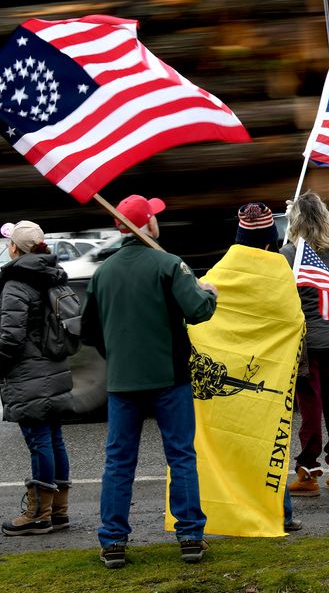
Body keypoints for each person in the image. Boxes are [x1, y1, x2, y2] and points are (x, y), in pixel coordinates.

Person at [80, 195, 219, 569]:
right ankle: (190, 536)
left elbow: (89, 331)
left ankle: (113, 542)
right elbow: (199, 311)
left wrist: (119, 356)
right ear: (149, 226)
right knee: (181, 456)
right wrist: (209, 294)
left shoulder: (102, 272)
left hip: (122, 381)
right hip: (169, 379)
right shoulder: (169, 264)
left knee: (119, 462)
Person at [229, 202, 302, 532]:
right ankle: (281, 514)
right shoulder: (280, 271)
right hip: (271, 373)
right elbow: (294, 320)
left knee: (240, 444)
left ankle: (239, 512)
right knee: (273, 444)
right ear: (271, 240)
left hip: (236, 372)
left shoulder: (224, 270)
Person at [0, 220, 73, 536]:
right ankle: (59, 511)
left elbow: (9, 339)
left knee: (39, 440)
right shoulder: (52, 277)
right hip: (54, 369)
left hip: (29, 374)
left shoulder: (16, 284)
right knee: (54, 439)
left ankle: (38, 514)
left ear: (15, 248)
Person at [279, 193, 329, 497]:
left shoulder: (288, 255)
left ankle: (307, 470)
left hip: (306, 342)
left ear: (295, 221)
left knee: (310, 405)